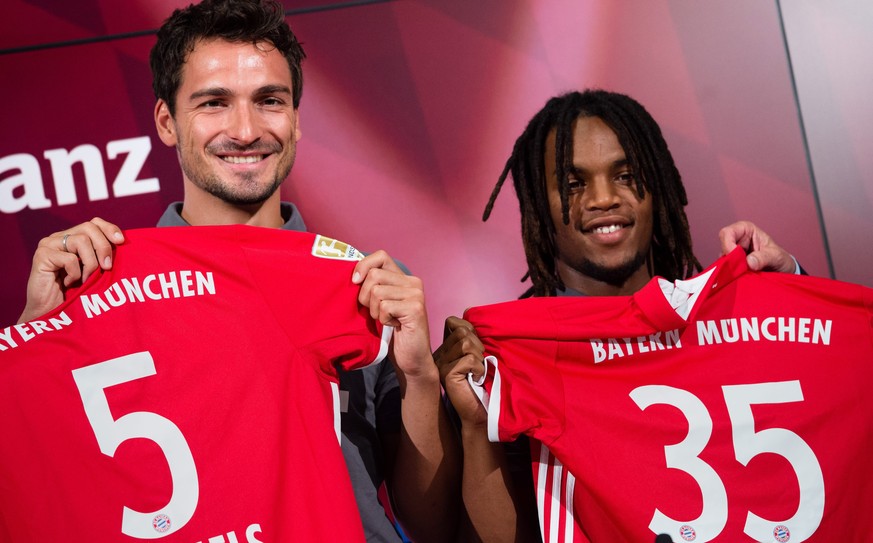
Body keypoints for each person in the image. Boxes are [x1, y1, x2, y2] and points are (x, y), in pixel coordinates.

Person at [17, 1, 459, 542]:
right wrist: (35, 335)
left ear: (296, 120)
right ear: (166, 122)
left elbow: (431, 525)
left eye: (269, 100)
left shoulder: (364, 288)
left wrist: (419, 377)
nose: (245, 130)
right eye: (214, 103)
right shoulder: (92, 286)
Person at [434, 89, 805, 542]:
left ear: (659, 186)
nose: (604, 198)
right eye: (574, 184)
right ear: (539, 205)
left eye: (626, 175)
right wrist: (475, 426)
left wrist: (796, 288)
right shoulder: (511, 359)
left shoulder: (733, 324)